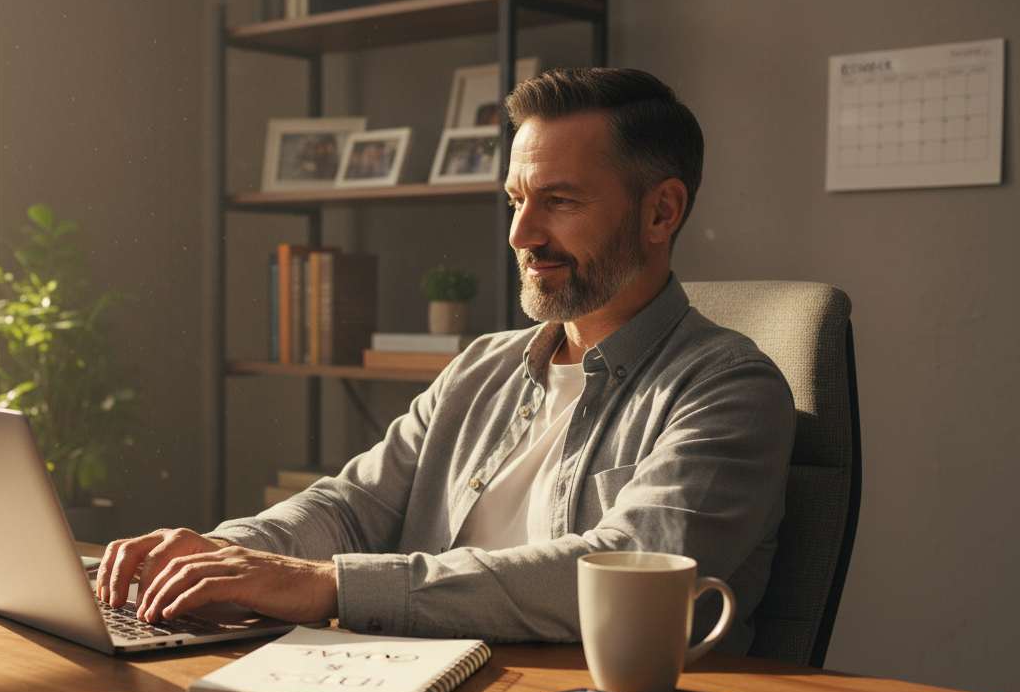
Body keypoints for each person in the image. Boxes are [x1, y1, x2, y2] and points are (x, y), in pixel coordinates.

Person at [96, 67, 795, 653]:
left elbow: (621, 568)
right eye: (517, 200)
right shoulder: (482, 367)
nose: (522, 234)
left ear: (660, 213)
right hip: (410, 686)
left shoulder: (730, 388)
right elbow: (350, 507)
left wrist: (328, 586)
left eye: (559, 201)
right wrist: (224, 554)